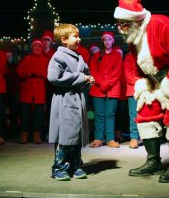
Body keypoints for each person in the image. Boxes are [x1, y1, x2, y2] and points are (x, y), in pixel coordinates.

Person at [114, 0, 169, 183]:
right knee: (145, 112)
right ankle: (153, 161)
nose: (120, 27)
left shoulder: (162, 24)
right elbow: (140, 64)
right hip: (156, 78)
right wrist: (142, 84)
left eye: (123, 23)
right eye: (118, 23)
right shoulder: (133, 34)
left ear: (135, 20)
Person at [47, 23, 94, 181]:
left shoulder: (79, 57)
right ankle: (59, 167)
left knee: (76, 134)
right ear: (64, 39)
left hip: (78, 100)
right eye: (75, 36)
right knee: (66, 134)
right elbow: (54, 77)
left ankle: (75, 165)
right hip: (65, 100)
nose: (79, 39)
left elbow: (85, 74)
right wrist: (80, 78)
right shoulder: (58, 57)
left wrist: (88, 80)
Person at [89, 31, 122, 148]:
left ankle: (110, 139)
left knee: (110, 115)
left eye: (109, 39)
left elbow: (117, 72)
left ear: (113, 41)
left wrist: (107, 84)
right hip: (98, 89)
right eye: (105, 40)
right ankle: (98, 138)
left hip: (112, 89)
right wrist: (101, 83)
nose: (107, 42)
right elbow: (93, 71)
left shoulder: (117, 55)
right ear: (102, 42)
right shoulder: (97, 55)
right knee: (99, 114)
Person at [17, 39, 49, 144]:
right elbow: (19, 72)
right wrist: (28, 72)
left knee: (38, 115)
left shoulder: (45, 60)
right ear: (31, 48)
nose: (37, 48)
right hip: (27, 91)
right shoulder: (26, 59)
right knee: (25, 115)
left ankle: (37, 135)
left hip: (39, 92)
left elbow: (47, 74)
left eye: (39, 46)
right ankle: (24, 134)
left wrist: (34, 72)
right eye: (35, 46)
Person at [41, 30, 56, 141]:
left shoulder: (54, 54)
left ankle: (50, 133)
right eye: (44, 40)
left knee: (51, 109)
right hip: (40, 86)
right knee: (40, 110)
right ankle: (39, 132)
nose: (45, 42)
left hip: (51, 85)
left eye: (47, 40)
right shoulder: (37, 52)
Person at [124, 51, 140, 149]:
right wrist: (138, 82)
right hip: (133, 89)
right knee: (133, 114)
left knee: (147, 114)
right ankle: (134, 138)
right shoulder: (129, 56)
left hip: (146, 88)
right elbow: (127, 73)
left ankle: (147, 137)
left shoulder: (146, 52)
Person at [4, 50, 20, 137]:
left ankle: (13, 129)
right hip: (5, 92)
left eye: (10, 56)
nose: (9, 58)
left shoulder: (15, 66)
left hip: (14, 92)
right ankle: (8, 129)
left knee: (14, 111)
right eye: (7, 56)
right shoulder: (5, 66)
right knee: (7, 111)